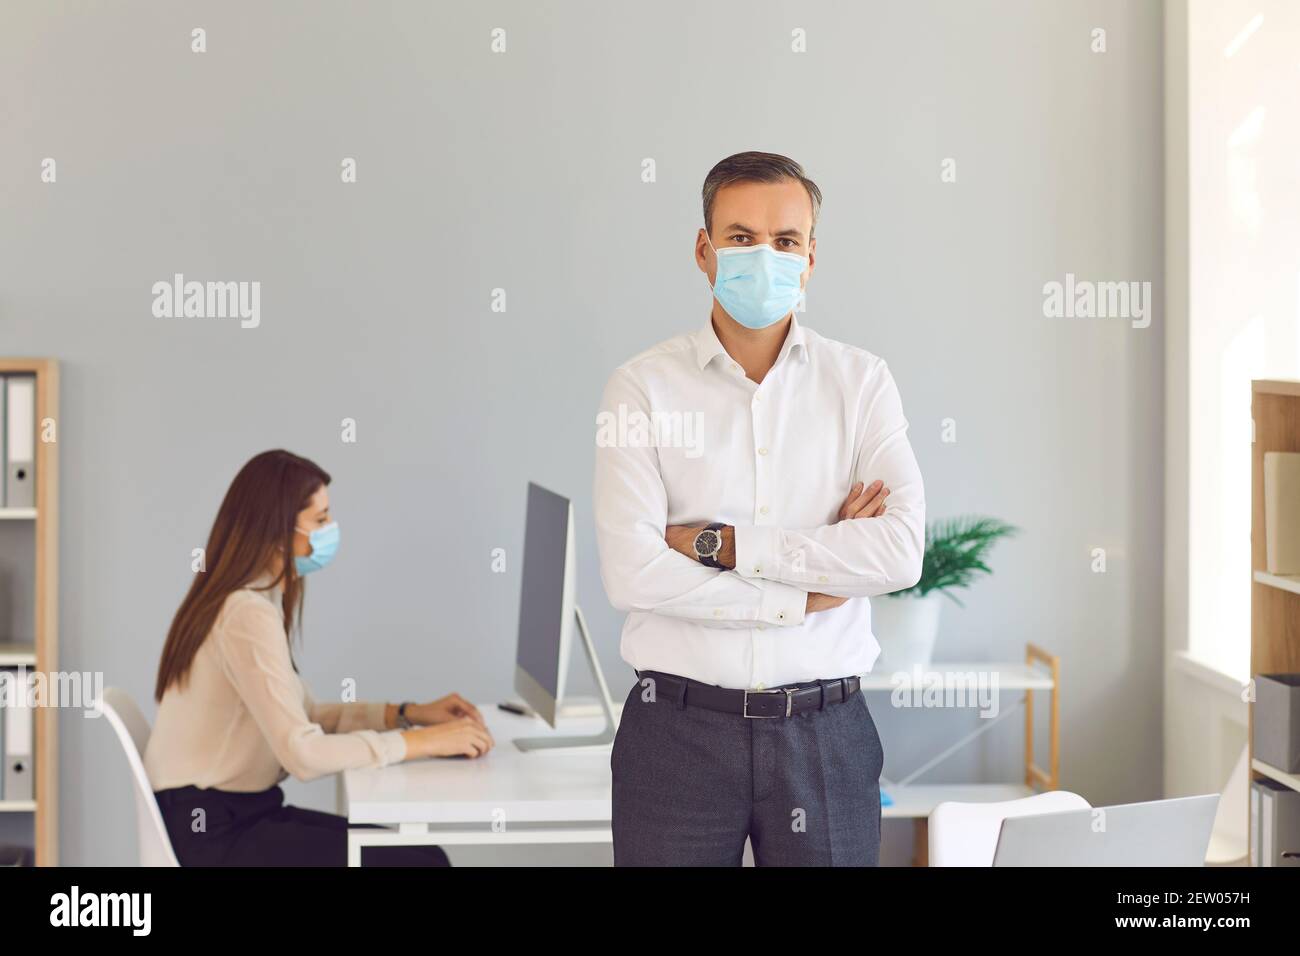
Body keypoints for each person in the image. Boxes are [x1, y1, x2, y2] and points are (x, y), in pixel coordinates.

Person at [594, 151, 925, 866]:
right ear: (703, 248)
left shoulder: (861, 382)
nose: (764, 257)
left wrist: (726, 545)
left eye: (786, 241)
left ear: (810, 258)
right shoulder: (641, 389)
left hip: (825, 733)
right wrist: (808, 591)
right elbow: (633, 574)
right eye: (741, 237)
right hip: (675, 736)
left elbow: (898, 552)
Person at [144, 449, 494, 866]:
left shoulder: (253, 597)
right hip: (212, 833)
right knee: (420, 864)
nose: (332, 530)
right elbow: (303, 753)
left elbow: (305, 714)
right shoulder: (244, 614)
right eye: (321, 520)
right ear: (278, 532)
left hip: (233, 815)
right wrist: (421, 742)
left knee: (421, 857)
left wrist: (406, 713)